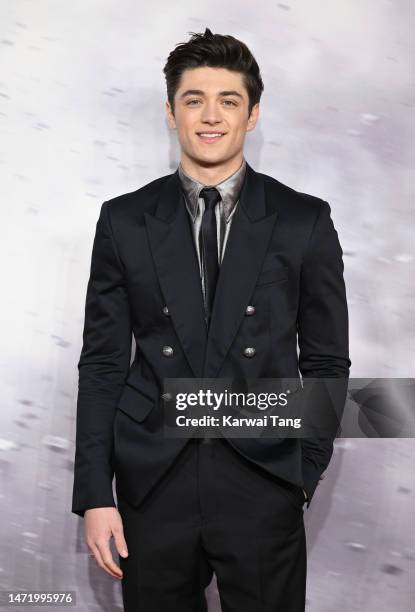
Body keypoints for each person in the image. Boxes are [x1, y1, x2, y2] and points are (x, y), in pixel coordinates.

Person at [72, 27, 351, 612]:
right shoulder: (124, 221)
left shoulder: (303, 220)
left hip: (262, 480)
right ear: (171, 113)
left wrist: (301, 473)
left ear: (252, 116)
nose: (211, 116)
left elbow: (325, 360)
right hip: (153, 484)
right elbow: (102, 363)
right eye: (194, 99)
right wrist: (96, 494)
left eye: (229, 100)